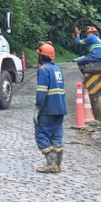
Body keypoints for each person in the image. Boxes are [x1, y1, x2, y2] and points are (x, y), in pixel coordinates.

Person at [34, 42, 66, 173]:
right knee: (56, 134)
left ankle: (51, 163)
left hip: (48, 108)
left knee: (41, 133)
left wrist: (38, 107)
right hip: (60, 108)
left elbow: (42, 91)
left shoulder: (43, 70)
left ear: (41, 56)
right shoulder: (58, 69)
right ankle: (58, 164)